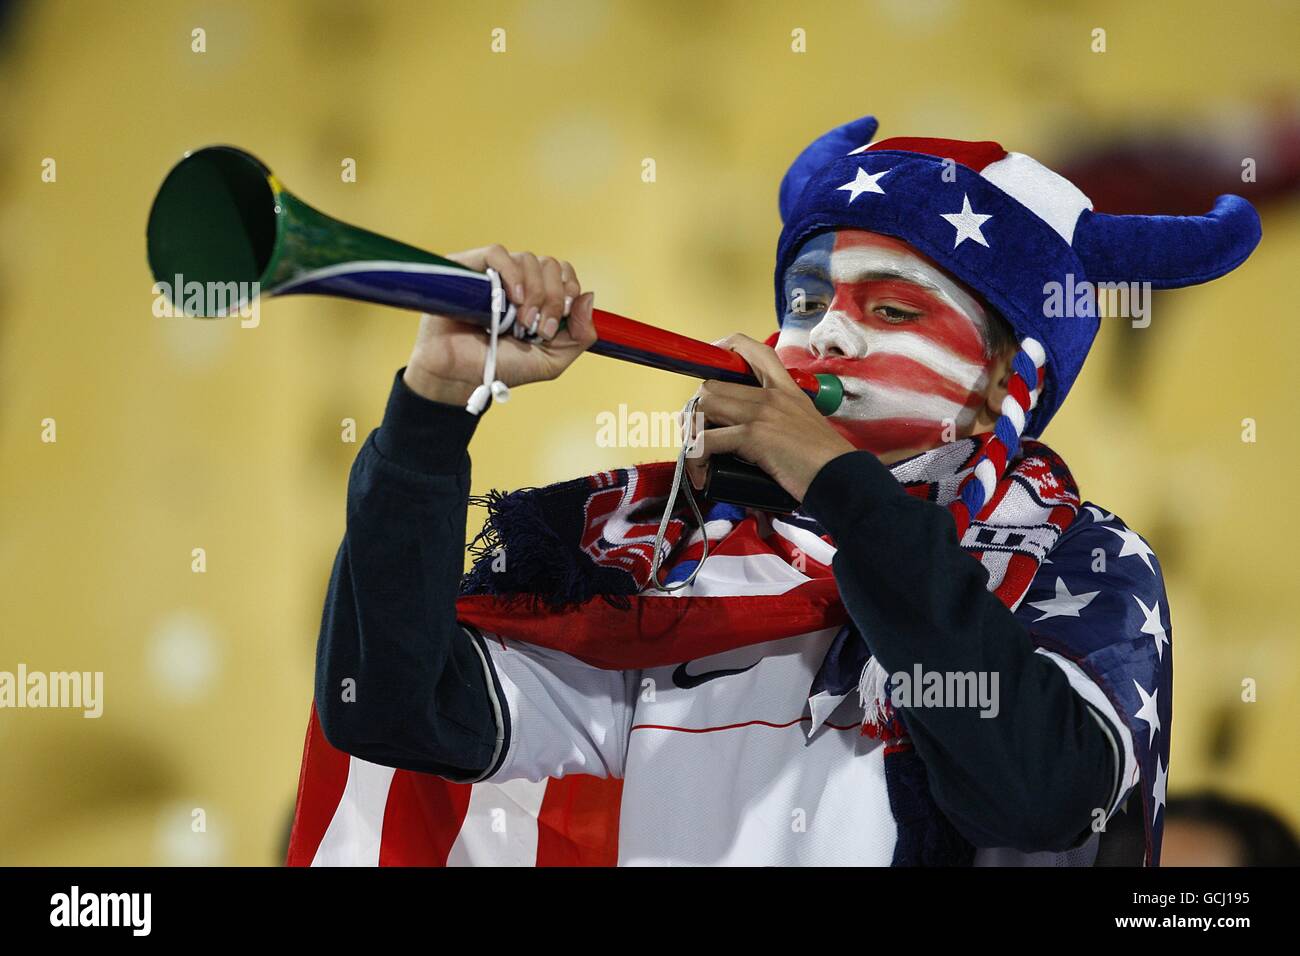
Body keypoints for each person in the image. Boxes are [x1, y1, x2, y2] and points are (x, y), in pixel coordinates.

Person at [288, 115, 1261, 866]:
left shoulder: (1079, 559)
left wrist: (836, 485)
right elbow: (382, 706)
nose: (825, 336)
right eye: (805, 302)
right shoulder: (663, 548)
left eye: (887, 307)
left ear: (1003, 379)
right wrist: (434, 408)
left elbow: (1035, 791)